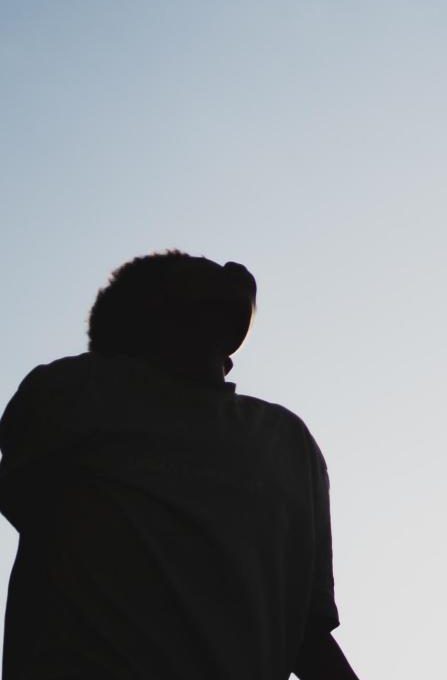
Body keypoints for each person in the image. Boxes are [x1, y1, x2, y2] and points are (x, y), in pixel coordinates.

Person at [0, 251, 360, 680]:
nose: (223, 273)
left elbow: (305, 629)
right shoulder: (78, 390)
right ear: (152, 309)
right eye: (195, 273)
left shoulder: (287, 439)